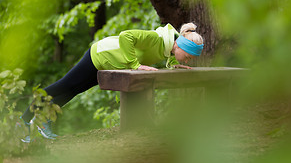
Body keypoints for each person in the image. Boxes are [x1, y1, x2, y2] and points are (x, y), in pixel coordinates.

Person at [19, 23, 204, 143]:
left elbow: (168, 54)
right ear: (180, 46)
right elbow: (126, 36)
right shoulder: (156, 38)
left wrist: (174, 65)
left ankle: (43, 121)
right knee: (64, 85)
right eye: (187, 57)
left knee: (72, 91)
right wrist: (135, 65)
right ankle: (24, 120)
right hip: (101, 54)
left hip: (109, 63)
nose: (187, 61)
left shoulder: (169, 45)